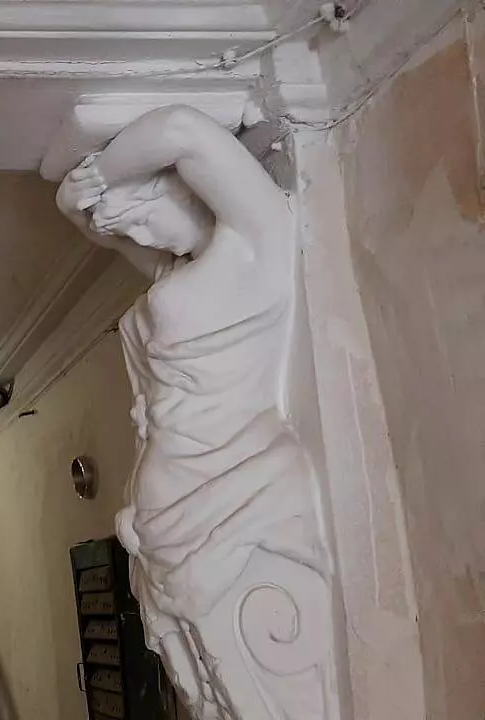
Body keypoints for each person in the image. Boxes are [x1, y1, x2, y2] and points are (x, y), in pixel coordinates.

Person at [56, 105, 329, 718]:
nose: (140, 237)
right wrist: (77, 203)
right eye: (132, 228)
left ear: (184, 186)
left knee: (244, 677)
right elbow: (101, 230)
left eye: (143, 216)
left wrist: (97, 177)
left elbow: (180, 128)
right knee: (205, 685)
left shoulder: (256, 242)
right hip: (175, 500)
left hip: (220, 482)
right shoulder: (175, 266)